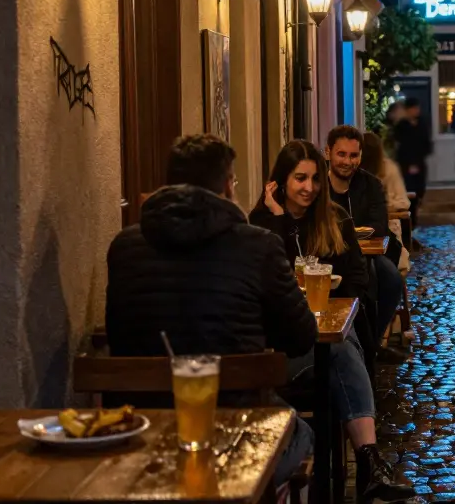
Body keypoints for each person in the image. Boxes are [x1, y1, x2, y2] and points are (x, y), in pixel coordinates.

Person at [106, 135, 315, 490]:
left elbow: (118, 336)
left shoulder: (125, 246)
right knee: (303, 433)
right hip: (239, 425)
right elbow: (302, 336)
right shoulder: (259, 244)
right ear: (227, 185)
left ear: (168, 183)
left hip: (143, 425)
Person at [248, 140, 414, 502]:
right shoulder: (261, 225)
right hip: (282, 347)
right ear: (280, 181)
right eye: (299, 178)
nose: (309, 188)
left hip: (326, 332)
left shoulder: (334, 218)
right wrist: (277, 219)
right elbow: (266, 286)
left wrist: (335, 302)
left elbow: (357, 279)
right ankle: (369, 459)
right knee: (340, 349)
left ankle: (366, 462)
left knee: (340, 344)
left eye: (314, 179)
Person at [326, 125, 405, 347]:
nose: (347, 161)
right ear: (328, 152)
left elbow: (378, 225)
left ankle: (370, 339)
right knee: (363, 275)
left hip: (367, 252)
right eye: (341, 154)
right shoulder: (318, 182)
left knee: (390, 277)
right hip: (327, 251)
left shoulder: (370, 184)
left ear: (360, 156)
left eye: (353, 155)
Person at [359, 132, 411, 273]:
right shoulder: (354, 173)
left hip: (385, 230)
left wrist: (382, 207)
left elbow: (403, 202)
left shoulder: (388, 169)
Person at [393, 98, 432, 236]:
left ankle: (413, 220)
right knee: (407, 193)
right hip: (405, 165)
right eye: (413, 108)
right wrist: (408, 163)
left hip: (419, 164)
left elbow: (427, 144)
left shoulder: (422, 124)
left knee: (418, 192)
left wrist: (418, 161)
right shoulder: (401, 126)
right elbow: (399, 146)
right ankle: (408, 224)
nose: (416, 111)